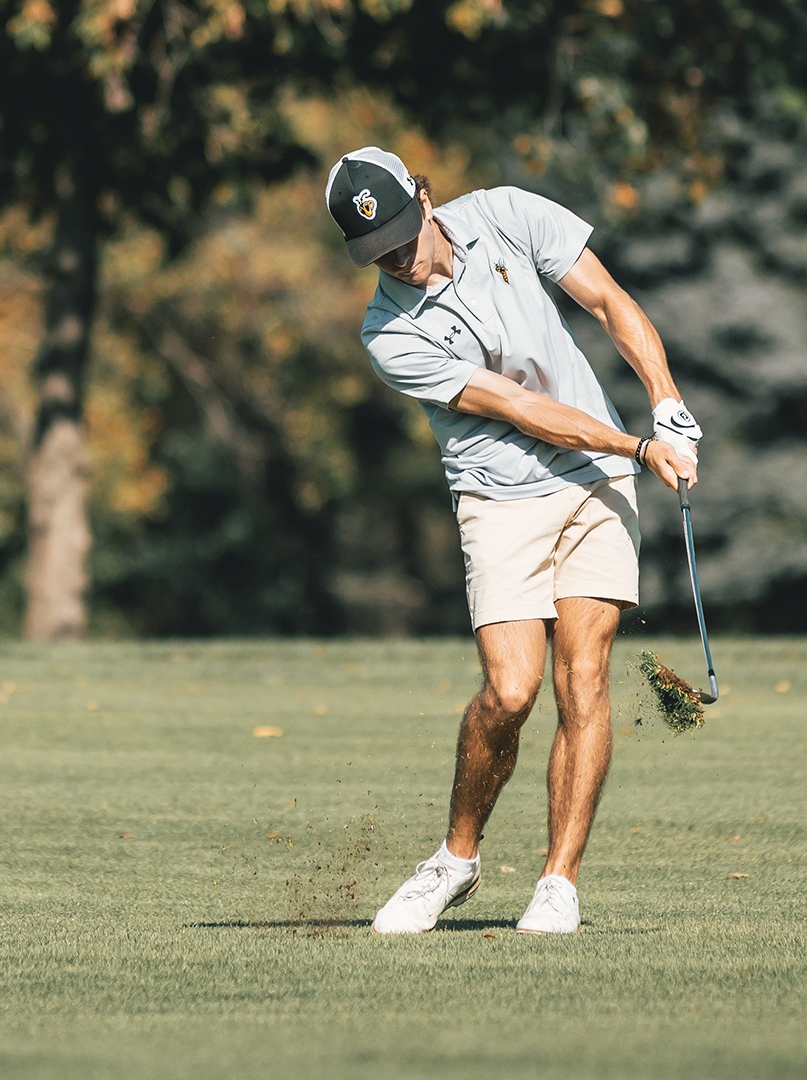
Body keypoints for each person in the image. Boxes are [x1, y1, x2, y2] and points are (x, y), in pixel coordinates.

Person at [325, 147, 705, 935]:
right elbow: (519, 407)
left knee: (585, 677)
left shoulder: (503, 213)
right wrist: (638, 446)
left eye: (403, 232)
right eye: (377, 252)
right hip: (499, 498)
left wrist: (666, 402)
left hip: (596, 487)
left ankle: (558, 882)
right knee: (511, 691)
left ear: (425, 197)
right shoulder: (387, 332)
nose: (398, 258)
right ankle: (456, 859)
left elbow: (606, 300)